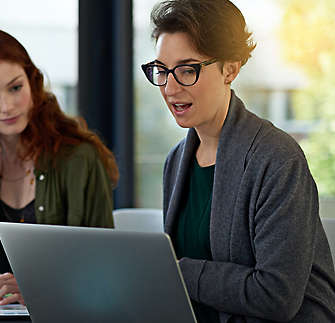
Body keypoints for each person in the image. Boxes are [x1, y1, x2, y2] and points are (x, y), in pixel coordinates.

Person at [141, 0, 335, 322]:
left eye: (188, 70)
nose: (170, 88)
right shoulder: (176, 161)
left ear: (230, 68)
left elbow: (277, 296)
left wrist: (176, 271)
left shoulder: (276, 158)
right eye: (162, 71)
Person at [0, 28, 118, 305]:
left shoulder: (79, 157)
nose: (6, 106)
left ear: (32, 83)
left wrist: (38, 285)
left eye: (15, 88)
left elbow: (104, 267)